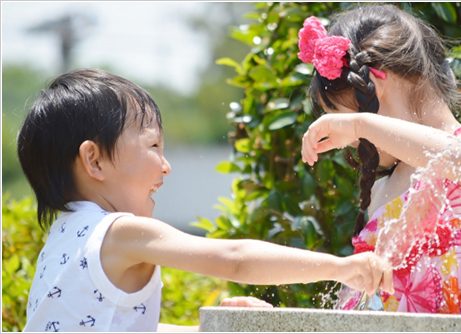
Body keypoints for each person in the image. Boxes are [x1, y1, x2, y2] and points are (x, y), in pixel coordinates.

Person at [17, 68, 394, 332]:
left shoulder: (62, 239)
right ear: (94, 160)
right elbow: (235, 261)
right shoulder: (119, 233)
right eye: (152, 145)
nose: (165, 167)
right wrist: (341, 267)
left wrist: (208, 328)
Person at [299, 4, 461, 317]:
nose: (351, 143)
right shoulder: (381, 192)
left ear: (375, 87)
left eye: (347, 124)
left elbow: (458, 158)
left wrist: (360, 124)